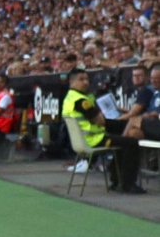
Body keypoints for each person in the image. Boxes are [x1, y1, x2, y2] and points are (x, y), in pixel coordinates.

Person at [62, 65, 144, 193]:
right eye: (81, 79)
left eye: (87, 79)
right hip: (94, 139)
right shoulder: (81, 101)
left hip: (86, 139)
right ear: (72, 82)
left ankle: (116, 181)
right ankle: (128, 184)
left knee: (122, 133)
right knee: (131, 143)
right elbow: (100, 121)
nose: (85, 82)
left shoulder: (69, 98)